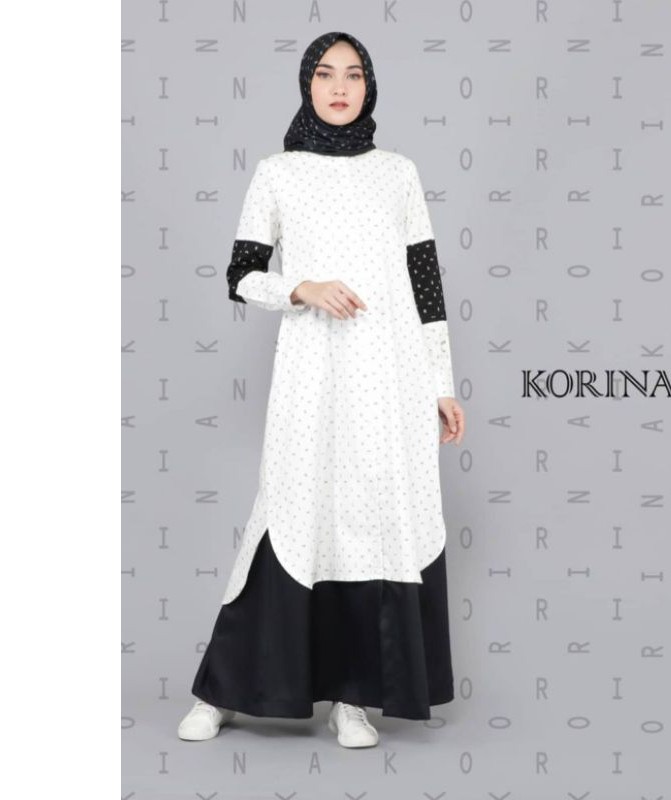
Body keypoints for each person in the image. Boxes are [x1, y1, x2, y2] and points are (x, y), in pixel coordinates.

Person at [177, 31, 465, 749]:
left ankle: (353, 698)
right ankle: (223, 689)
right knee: (292, 511)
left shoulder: (398, 172)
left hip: (390, 373)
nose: (340, 87)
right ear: (307, 84)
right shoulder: (278, 173)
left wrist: (441, 383)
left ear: (370, 87)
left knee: (370, 515)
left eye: (354, 75)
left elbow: (425, 284)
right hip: (312, 369)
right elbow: (241, 275)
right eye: (327, 74)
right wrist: (301, 287)